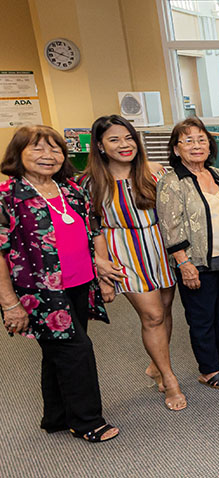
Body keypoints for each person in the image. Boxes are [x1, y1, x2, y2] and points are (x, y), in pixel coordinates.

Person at [0, 125, 119, 442]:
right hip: (41, 293)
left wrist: (102, 265)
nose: (47, 155)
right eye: (37, 148)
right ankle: (86, 421)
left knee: (59, 352)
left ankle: (55, 416)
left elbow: (92, 230)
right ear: (18, 154)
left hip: (80, 283)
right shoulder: (8, 197)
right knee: (77, 351)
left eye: (54, 149)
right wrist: (9, 303)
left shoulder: (70, 189)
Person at [82, 115, 184, 411]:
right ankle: (169, 378)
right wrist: (100, 264)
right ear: (100, 146)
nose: (124, 145)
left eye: (128, 138)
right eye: (114, 140)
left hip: (159, 246)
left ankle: (156, 363)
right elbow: (92, 227)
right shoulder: (89, 182)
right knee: (151, 315)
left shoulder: (155, 172)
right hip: (122, 252)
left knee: (164, 310)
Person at [157, 117, 219, 389]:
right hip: (196, 262)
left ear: (210, 146)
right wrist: (184, 263)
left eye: (201, 140)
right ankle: (208, 369)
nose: (196, 146)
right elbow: (170, 227)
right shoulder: (172, 182)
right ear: (176, 149)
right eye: (188, 141)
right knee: (202, 317)